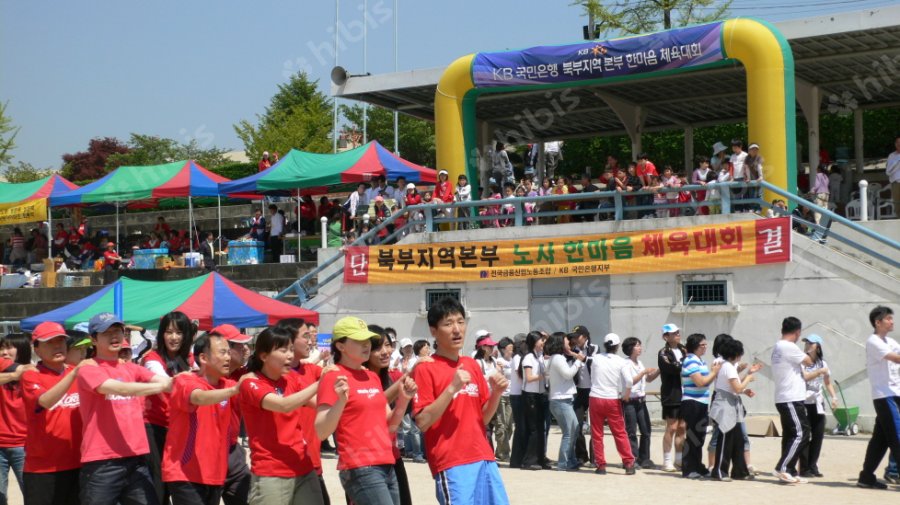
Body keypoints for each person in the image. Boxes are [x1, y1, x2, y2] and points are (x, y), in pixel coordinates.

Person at [412, 297, 509, 505]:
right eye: (448, 324)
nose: (457, 329)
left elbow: (482, 419)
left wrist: (496, 394)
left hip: (483, 457)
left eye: (460, 322)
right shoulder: (425, 368)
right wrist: (452, 388)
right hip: (452, 462)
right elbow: (422, 421)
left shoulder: (470, 365)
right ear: (433, 331)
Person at [316, 317, 417, 505]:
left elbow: (390, 426)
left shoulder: (371, 376)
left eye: (367, 340)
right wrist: (340, 403)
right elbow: (321, 431)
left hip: (387, 463)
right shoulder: (333, 376)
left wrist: (404, 400)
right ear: (340, 346)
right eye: (359, 341)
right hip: (360, 467)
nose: (367, 345)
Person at [76, 312, 173, 505]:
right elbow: (118, 388)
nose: (115, 336)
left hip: (136, 459)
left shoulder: (131, 368)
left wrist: (186, 381)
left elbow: (166, 381)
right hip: (102, 462)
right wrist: (161, 387)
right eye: (107, 333)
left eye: (118, 331)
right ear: (93, 339)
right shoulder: (89, 369)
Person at [238, 327, 323, 505]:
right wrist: (320, 383)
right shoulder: (250, 382)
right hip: (271, 472)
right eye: (283, 350)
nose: (290, 355)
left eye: (291, 350)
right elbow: (283, 405)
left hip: (303, 466)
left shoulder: (291, 379)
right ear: (263, 356)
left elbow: (320, 404)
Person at [162, 331, 241, 505]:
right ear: (204, 358)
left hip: (215, 474)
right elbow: (198, 397)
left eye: (229, 352)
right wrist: (234, 391)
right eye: (222, 352)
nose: (228, 357)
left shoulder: (228, 385)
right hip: (185, 473)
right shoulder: (185, 380)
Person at [21, 323, 90, 505]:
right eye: (50, 343)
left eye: (61, 342)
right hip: (44, 469)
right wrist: (74, 373)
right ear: (36, 348)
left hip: (79, 464)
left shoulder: (78, 374)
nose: (58, 347)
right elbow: (45, 400)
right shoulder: (31, 375)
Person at [141, 311, 195, 504]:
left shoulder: (189, 358)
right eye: (169, 332)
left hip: (180, 428)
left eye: (179, 332)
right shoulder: (152, 358)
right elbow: (165, 381)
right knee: (158, 482)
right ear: (162, 334)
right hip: (154, 425)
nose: (174, 337)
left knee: (179, 479)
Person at [363, 327, 413, 505]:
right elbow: (374, 406)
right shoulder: (358, 380)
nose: (385, 352)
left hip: (392, 455)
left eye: (388, 345)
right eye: (378, 347)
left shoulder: (393, 377)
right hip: (366, 462)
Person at [857, 306, 900, 489]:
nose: (892, 321)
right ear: (878, 322)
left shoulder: (890, 341)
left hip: (895, 394)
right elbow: (896, 358)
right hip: (884, 396)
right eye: (888, 318)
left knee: (880, 440)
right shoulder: (873, 341)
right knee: (897, 436)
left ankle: (866, 477)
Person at [211, 325, 252, 505]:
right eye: (238, 345)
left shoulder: (243, 375)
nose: (245, 349)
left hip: (233, 452)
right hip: (208, 455)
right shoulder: (203, 377)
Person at [771, 316, 814, 484]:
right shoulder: (789, 346)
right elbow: (810, 362)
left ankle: (788, 470)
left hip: (786, 397)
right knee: (802, 433)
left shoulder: (778, 346)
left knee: (790, 435)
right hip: (790, 398)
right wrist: (811, 349)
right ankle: (782, 467)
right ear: (797, 332)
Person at [708, 338, 755, 481]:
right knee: (726, 439)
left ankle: (740, 471)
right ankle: (719, 471)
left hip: (731, 403)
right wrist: (749, 377)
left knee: (738, 440)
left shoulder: (727, 365)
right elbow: (738, 388)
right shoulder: (728, 366)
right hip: (725, 404)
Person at [588, 333, 635, 475]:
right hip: (612, 399)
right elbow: (629, 381)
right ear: (618, 346)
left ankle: (601, 465)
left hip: (595, 397)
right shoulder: (622, 362)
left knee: (597, 433)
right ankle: (628, 464)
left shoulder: (596, 358)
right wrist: (625, 395)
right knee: (620, 432)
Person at [680, 333, 720, 479]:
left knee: (700, 437)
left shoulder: (700, 361)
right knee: (693, 437)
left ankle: (697, 465)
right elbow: (701, 382)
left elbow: (705, 381)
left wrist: (711, 374)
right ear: (695, 346)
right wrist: (714, 372)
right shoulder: (690, 361)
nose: (705, 347)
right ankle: (688, 468)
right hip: (692, 402)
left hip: (702, 402)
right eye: (702, 345)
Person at [797, 334, 837, 478]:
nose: (807, 345)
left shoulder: (823, 363)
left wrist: (834, 396)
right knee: (805, 435)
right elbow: (806, 377)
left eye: (810, 343)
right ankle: (804, 468)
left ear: (817, 346)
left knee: (818, 435)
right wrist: (819, 372)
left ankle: (813, 466)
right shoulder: (801, 361)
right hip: (804, 402)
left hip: (818, 403)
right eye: (806, 342)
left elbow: (827, 382)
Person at [0, 334, 32, 505]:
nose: (4, 352)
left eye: (9, 347)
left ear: (22, 349)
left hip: (25, 446)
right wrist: (14, 375)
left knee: (31, 495)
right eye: (2, 348)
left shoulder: (33, 372)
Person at [546, 333, 585, 471]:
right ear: (560, 343)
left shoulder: (555, 358)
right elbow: (568, 374)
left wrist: (575, 357)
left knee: (573, 430)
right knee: (569, 431)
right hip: (561, 400)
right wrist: (578, 361)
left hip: (562, 399)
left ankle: (571, 459)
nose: (569, 342)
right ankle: (564, 462)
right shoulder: (557, 358)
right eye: (566, 341)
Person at [621, 337, 659, 470]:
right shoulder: (625, 364)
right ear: (630, 348)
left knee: (646, 430)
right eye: (637, 345)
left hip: (641, 400)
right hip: (630, 401)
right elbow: (629, 381)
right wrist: (643, 372)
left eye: (640, 345)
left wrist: (659, 370)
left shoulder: (639, 363)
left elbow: (647, 379)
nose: (640, 348)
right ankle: (633, 458)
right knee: (631, 431)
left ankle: (645, 458)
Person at [517, 331, 549, 470]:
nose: (542, 342)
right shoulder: (528, 358)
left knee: (541, 429)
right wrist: (544, 375)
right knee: (534, 429)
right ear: (533, 342)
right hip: (530, 395)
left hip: (540, 394)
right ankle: (529, 460)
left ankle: (540, 459)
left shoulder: (540, 356)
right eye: (540, 340)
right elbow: (529, 378)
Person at [658, 323, 686, 472]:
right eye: (673, 333)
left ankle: (679, 459)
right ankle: (667, 460)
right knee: (672, 427)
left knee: (682, 427)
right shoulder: (663, 352)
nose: (677, 334)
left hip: (686, 393)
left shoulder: (684, 349)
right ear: (666, 336)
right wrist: (684, 362)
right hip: (671, 394)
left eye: (677, 332)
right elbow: (673, 368)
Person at [569, 326, 597, 466]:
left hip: (592, 390)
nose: (575, 339)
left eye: (577, 336)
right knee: (577, 424)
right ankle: (581, 456)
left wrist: (582, 357)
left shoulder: (594, 348)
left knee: (594, 425)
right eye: (573, 337)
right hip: (579, 391)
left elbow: (595, 362)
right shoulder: (572, 350)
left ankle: (595, 457)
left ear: (585, 336)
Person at [492, 337, 514, 462]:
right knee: (501, 424)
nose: (512, 350)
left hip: (511, 395)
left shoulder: (514, 360)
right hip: (501, 395)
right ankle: (504, 453)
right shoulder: (498, 361)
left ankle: (500, 449)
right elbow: (496, 376)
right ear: (503, 349)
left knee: (509, 426)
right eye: (510, 348)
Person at [730, 139, 748, 212]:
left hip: (743, 178)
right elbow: (731, 167)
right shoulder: (732, 156)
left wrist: (746, 176)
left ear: (740, 146)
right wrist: (731, 177)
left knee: (745, 194)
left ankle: (746, 209)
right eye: (733, 147)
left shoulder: (745, 155)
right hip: (735, 179)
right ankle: (738, 209)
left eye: (735, 147)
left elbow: (746, 167)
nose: (734, 148)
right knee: (736, 195)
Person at [887, 135, 900, 214]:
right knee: (897, 204)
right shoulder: (891, 156)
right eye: (898, 143)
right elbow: (888, 170)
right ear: (895, 144)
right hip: (896, 183)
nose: (899, 144)